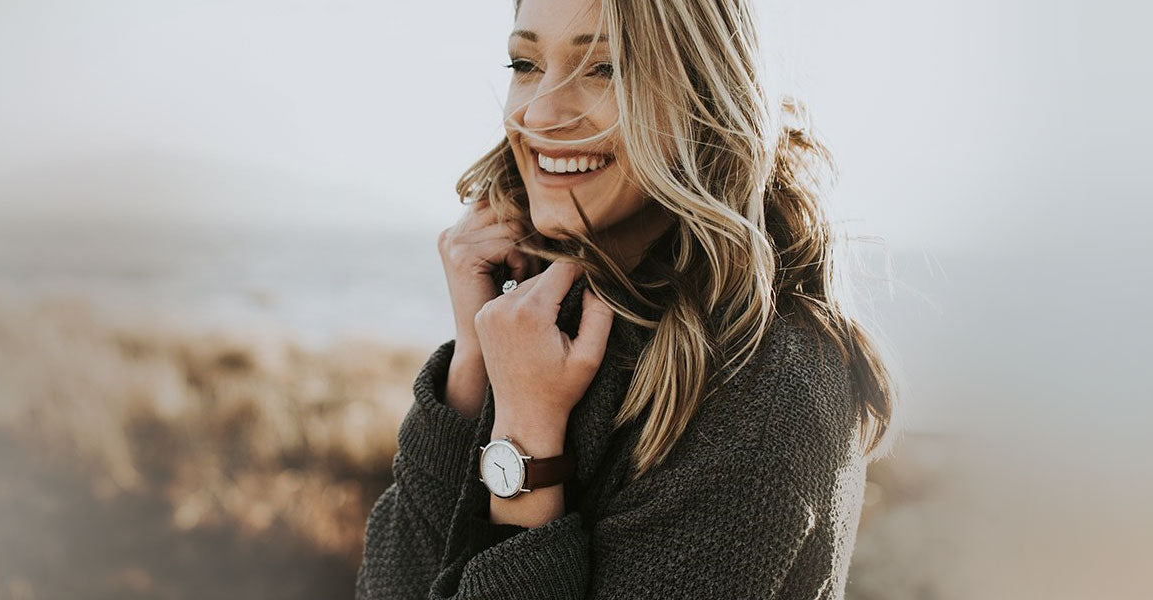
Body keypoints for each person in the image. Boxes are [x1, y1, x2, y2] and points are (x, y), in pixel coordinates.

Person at [355, 0, 896, 597]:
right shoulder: (542, 327)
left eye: (605, 69)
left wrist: (528, 442)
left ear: (706, 95)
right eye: (525, 63)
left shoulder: (765, 387)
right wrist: (474, 369)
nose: (540, 113)